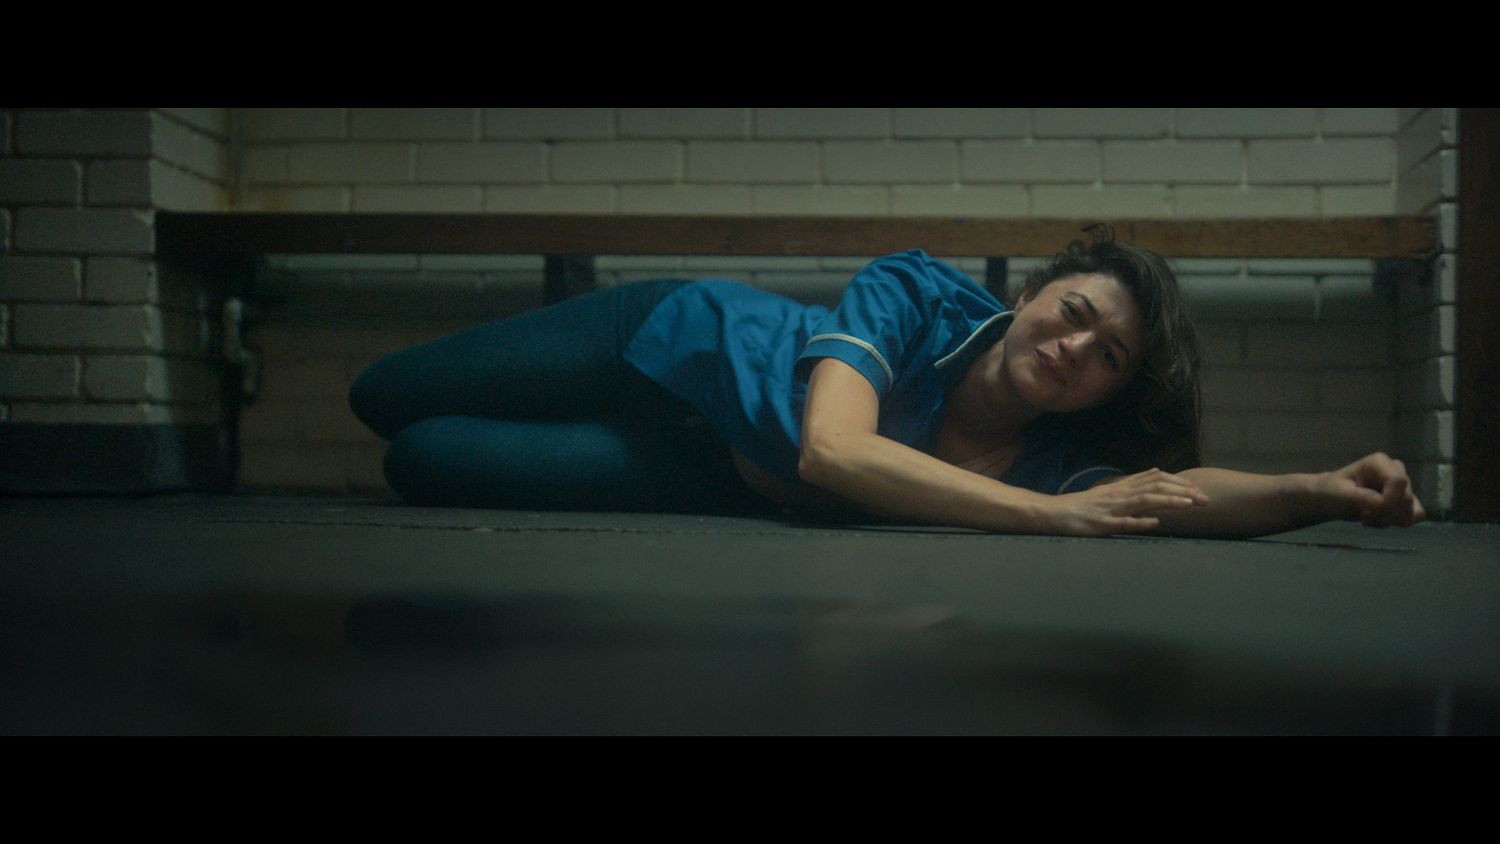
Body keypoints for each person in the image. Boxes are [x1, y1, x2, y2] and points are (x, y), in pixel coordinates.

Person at [348, 227, 1424, 538]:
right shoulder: (915, 291)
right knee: (381, 397)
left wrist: (1322, 489)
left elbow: (1176, 495)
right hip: (662, 344)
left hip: (703, 466)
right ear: (1034, 291)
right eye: (1075, 313)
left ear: (1109, 393)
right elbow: (834, 453)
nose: (1075, 350)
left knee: (424, 459)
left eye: (1108, 358)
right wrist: (1053, 519)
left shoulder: (1053, 455)